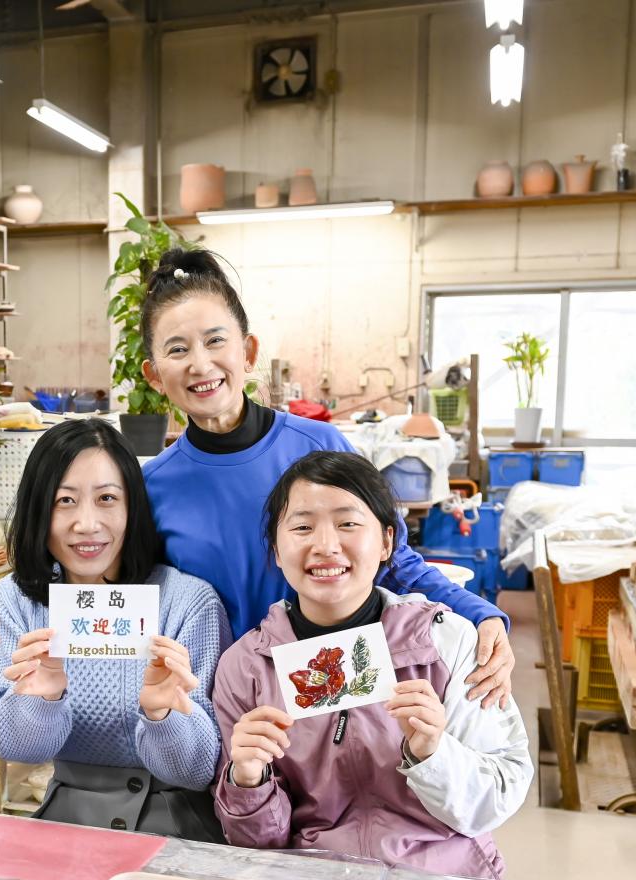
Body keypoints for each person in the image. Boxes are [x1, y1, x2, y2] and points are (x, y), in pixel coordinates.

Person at [136, 248, 515, 707]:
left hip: (333, 693)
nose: (200, 364)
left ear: (248, 351)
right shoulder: (152, 485)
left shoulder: (319, 446)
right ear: (155, 375)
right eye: (178, 350)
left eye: (216, 341)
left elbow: (391, 558)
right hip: (223, 711)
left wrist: (481, 614)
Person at [212, 451, 530, 877]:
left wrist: (434, 753)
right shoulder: (246, 667)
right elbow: (258, 844)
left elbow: (495, 799)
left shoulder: (449, 641)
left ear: (386, 543)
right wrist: (247, 780)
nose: (325, 546)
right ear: (276, 549)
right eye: (302, 527)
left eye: (348, 524)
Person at [0, 420, 229, 839]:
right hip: (69, 820)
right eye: (65, 501)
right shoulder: (17, 599)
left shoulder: (187, 601)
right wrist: (44, 698)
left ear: (133, 507)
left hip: (175, 822)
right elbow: (13, 747)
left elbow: (198, 769)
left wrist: (163, 713)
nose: (87, 524)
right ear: (40, 509)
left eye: (107, 499)